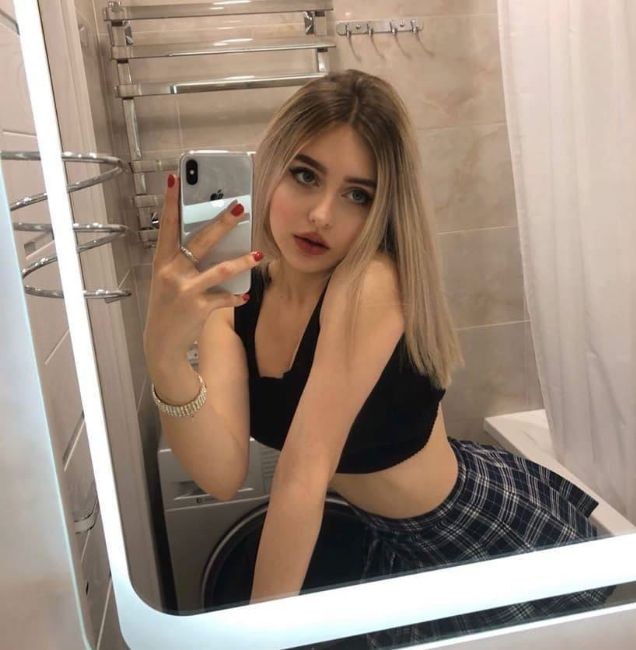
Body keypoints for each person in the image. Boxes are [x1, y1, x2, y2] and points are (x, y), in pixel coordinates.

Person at [143, 69, 613, 647]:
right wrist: (164, 354)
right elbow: (221, 476)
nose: (322, 214)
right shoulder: (236, 304)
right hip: (392, 542)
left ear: (383, 207)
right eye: (305, 175)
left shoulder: (370, 282)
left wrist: (258, 638)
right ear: (270, 169)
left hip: (480, 534)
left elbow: (303, 474)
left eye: (357, 195)